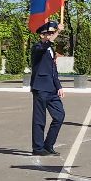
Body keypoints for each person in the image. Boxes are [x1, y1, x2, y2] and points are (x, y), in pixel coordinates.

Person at [28, 21, 64, 156]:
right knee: (39, 119)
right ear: (41, 35)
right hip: (40, 88)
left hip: (52, 88)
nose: (49, 35)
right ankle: (38, 148)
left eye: (51, 33)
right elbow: (44, 46)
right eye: (47, 33)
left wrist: (59, 86)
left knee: (59, 116)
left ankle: (48, 145)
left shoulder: (51, 49)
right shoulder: (37, 47)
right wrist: (58, 32)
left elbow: (53, 70)